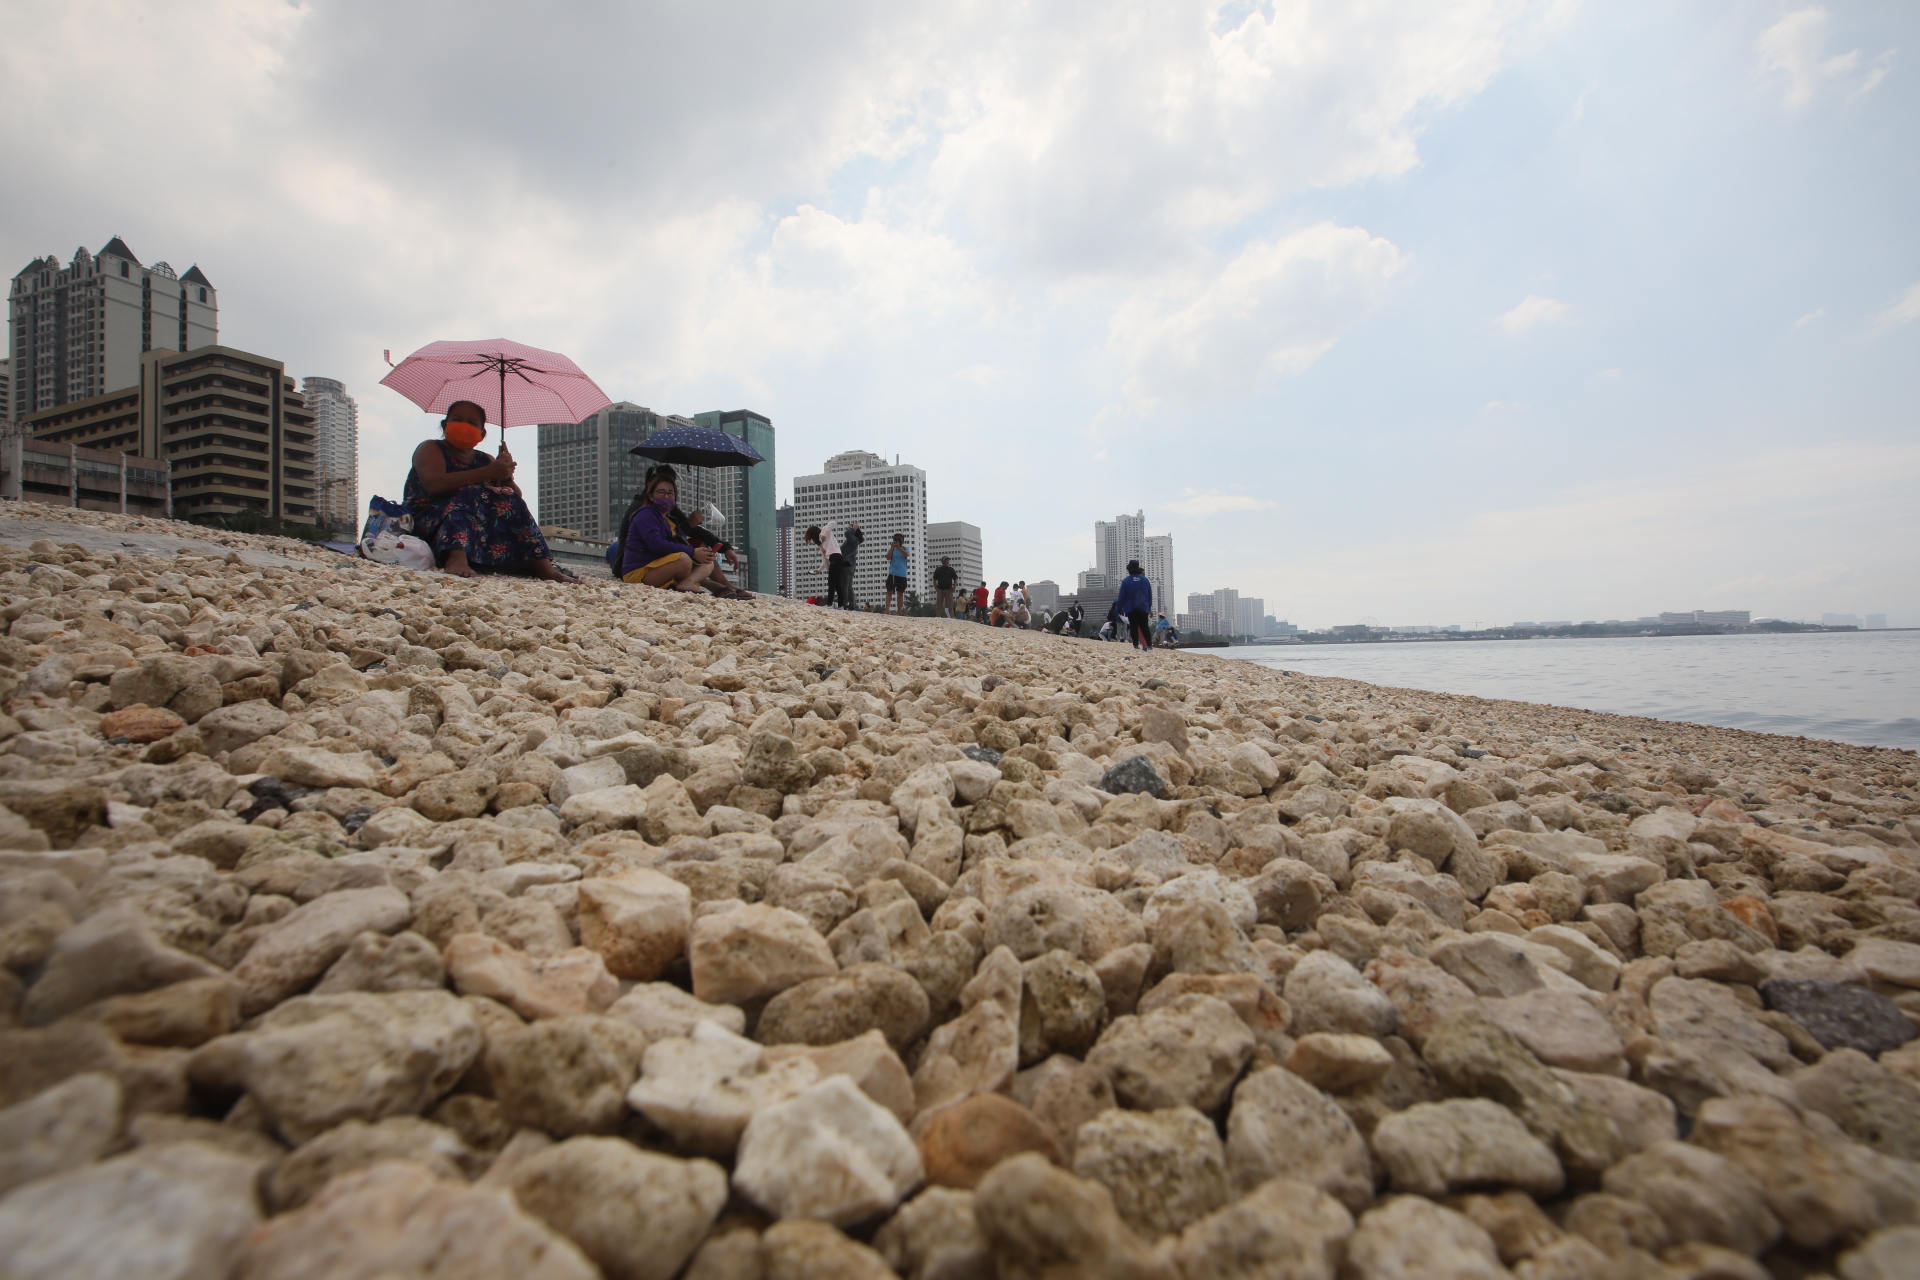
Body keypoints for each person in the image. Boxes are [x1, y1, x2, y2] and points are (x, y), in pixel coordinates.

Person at [404, 400, 577, 582]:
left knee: (508, 498)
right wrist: (489, 471)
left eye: (472, 423)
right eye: (458, 419)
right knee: (465, 493)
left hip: (478, 525)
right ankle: (456, 558)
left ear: (482, 433)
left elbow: (515, 498)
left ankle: (544, 568)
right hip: (431, 517)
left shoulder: (484, 459)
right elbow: (434, 484)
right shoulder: (431, 448)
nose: (464, 426)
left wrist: (506, 475)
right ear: (445, 425)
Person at [618, 469, 717, 592]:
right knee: (684, 559)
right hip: (641, 571)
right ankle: (684, 582)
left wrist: (701, 554)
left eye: (671, 493)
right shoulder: (645, 514)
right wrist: (692, 552)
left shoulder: (668, 520)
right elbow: (656, 544)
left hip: (662, 565)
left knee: (708, 563)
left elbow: (677, 543)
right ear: (651, 496)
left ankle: (687, 582)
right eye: (661, 492)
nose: (666, 496)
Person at [803, 523, 844, 608]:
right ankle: (841, 606)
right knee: (837, 583)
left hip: (836, 557)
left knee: (831, 582)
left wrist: (824, 535)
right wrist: (819, 569)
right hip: (836, 559)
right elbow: (825, 559)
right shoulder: (821, 544)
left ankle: (829, 604)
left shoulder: (824, 531)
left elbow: (833, 523)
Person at [1116, 559, 1154, 650]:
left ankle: (1136, 646)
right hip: (1143, 607)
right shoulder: (1145, 580)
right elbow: (1149, 595)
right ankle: (1150, 647)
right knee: (1145, 627)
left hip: (1131, 608)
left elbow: (1121, 596)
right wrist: (1149, 608)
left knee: (1134, 627)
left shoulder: (1126, 581)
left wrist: (1118, 609)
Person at [837, 522, 865, 610]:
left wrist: (854, 528)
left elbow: (846, 533)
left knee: (845, 586)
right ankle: (851, 606)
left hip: (847, 564)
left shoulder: (854, 540)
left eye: (850, 528)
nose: (848, 529)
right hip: (851, 565)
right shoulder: (853, 540)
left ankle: (845, 605)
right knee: (848, 586)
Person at [884, 533, 909, 615]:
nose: (895, 542)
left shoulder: (905, 548)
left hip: (902, 574)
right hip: (893, 573)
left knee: (900, 593)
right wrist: (892, 548)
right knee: (890, 591)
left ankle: (900, 611)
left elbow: (906, 554)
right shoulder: (892, 549)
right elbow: (888, 557)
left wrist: (898, 548)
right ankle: (887, 610)